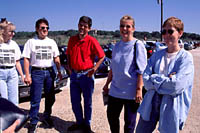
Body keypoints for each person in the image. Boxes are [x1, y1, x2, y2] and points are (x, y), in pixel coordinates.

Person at [136, 17, 194, 133]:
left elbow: (176, 86)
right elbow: (146, 82)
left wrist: (155, 77)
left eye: (170, 31)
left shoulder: (186, 58)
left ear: (180, 33)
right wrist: (167, 79)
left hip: (171, 105)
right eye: (164, 32)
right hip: (151, 102)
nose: (166, 35)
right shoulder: (157, 55)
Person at [102, 15, 147, 133]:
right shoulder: (116, 46)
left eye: (128, 26)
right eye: (122, 26)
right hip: (115, 90)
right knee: (111, 117)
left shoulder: (138, 45)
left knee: (129, 124)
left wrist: (139, 89)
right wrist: (107, 84)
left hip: (131, 93)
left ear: (133, 28)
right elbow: (113, 68)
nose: (125, 29)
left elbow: (141, 70)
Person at [22, 18, 62, 133]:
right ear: (37, 29)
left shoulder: (51, 42)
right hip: (37, 72)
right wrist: (27, 75)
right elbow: (26, 59)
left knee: (50, 97)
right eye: (42, 28)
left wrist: (59, 71)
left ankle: (46, 117)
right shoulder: (31, 42)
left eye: (47, 28)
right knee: (35, 99)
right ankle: (33, 122)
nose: (45, 30)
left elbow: (56, 58)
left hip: (50, 72)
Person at [66, 16, 105, 132]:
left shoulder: (92, 41)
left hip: (87, 75)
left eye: (85, 26)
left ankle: (87, 125)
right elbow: (68, 54)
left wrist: (95, 68)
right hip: (74, 75)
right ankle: (79, 122)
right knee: (75, 101)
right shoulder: (72, 39)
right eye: (80, 25)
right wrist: (69, 67)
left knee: (87, 102)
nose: (82, 28)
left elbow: (102, 56)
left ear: (89, 28)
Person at [0, 20, 24, 105]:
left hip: (12, 73)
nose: (13, 34)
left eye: (14, 31)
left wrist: (22, 75)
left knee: (14, 99)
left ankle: (15, 117)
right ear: (3, 31)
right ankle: (4, 117)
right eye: (10, 31)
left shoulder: (13, 44)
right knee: (3, 98)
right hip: (1, 73)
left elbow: (17, 62)